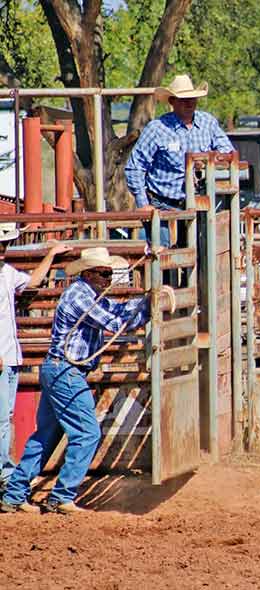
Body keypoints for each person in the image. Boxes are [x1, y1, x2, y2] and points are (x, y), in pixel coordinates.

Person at [0, 247, 172, 514]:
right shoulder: (81, 296)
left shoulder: (90, 294)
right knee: (87, 433)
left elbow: (118, 312)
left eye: (109, 273)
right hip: (65, 371)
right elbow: (115, 322)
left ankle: (14, 495)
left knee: (45, 436)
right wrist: (149, 305)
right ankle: (61, 495)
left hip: (59, 370)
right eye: (104, 273)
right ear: (89, 273)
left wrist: (147, 304)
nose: (108, 278)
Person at [0, 225, 70, 493]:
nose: (2, 250)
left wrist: (50, 256)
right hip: (5, 356)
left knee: (5, 416)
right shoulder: (5, 274)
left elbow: (31, 283)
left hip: (9, 355)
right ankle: (4, 476)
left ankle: (5, 475)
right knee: (2, 419)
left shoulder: (7, 274)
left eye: (4, 246)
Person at [125, 74, 234, 246]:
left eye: (192, 99)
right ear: (172, 102)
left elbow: (228, 153)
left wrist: (208, 161)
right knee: (162, 258)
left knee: (199, 256)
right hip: (162, 203)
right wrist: (142, 203)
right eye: (183, 100)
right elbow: (135, 166)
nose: (189, 103)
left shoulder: (208, 123)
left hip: (198, 204)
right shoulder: (157, 128)